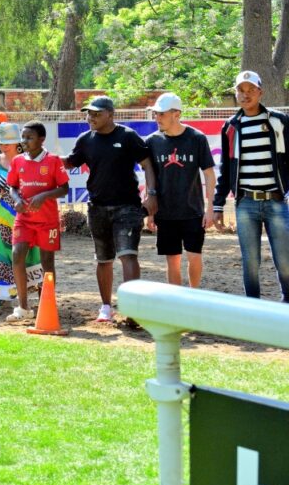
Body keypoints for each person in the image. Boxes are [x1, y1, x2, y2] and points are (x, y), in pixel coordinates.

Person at [64, 95, 155, 322]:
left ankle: (133, 309)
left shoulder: (127, 136)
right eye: (88, 114)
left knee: (128, 256)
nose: (90, 118)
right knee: (103, 259)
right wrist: (38, 158)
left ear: (110, 115)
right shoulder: (85, 139)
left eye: (96, 114)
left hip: (128, 206)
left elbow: (147, 164)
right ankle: (106, 307)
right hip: (97, 207)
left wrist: (151, 194)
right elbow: (69, 162)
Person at [212, 71, 289, 302]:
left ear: (260, 92)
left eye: (250, 90)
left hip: (276, 201)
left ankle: (287, 303)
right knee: (250, 260)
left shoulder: (279, 121)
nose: (245, 95)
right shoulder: (231, 127)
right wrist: (217, 205)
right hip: (245, 203)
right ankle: (252, 306)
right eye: (240, 91)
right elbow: (226, 169)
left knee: (284, 258)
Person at [144, 93, 216, 289]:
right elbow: (149, 176)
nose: (157, 118)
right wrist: (150, 210)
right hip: (165, 212)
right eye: (155, 114)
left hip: (192, 211)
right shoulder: (152, 141)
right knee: (172, 259)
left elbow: (209, 175)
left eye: (161, 114)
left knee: (194, 255)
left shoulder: (197, 138)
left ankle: (194, 294)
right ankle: (177, 299)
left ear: (176, 114)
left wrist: (210, 208)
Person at [6, 122, 69, 321]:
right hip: (24, 219)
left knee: (47, 262)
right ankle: (23, 307)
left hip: (47, 221)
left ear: (41, 139)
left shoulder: (53, 160)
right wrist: (16, 200)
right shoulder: (17, 161)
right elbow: (12, 187)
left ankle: (46, 304)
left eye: (29, 137)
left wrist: (44, 196)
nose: (24, 142)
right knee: (17, 255)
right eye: (23, 137)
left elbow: (64, 188)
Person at [0, 123, 42, 307]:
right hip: (0, 213)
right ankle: (2, 295)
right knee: (0, 253)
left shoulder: (26, 160)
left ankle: (33, 296)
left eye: (7, 142)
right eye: (0, 142)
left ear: (17, 142)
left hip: (21, 214)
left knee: (27, 254)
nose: (3, 146)